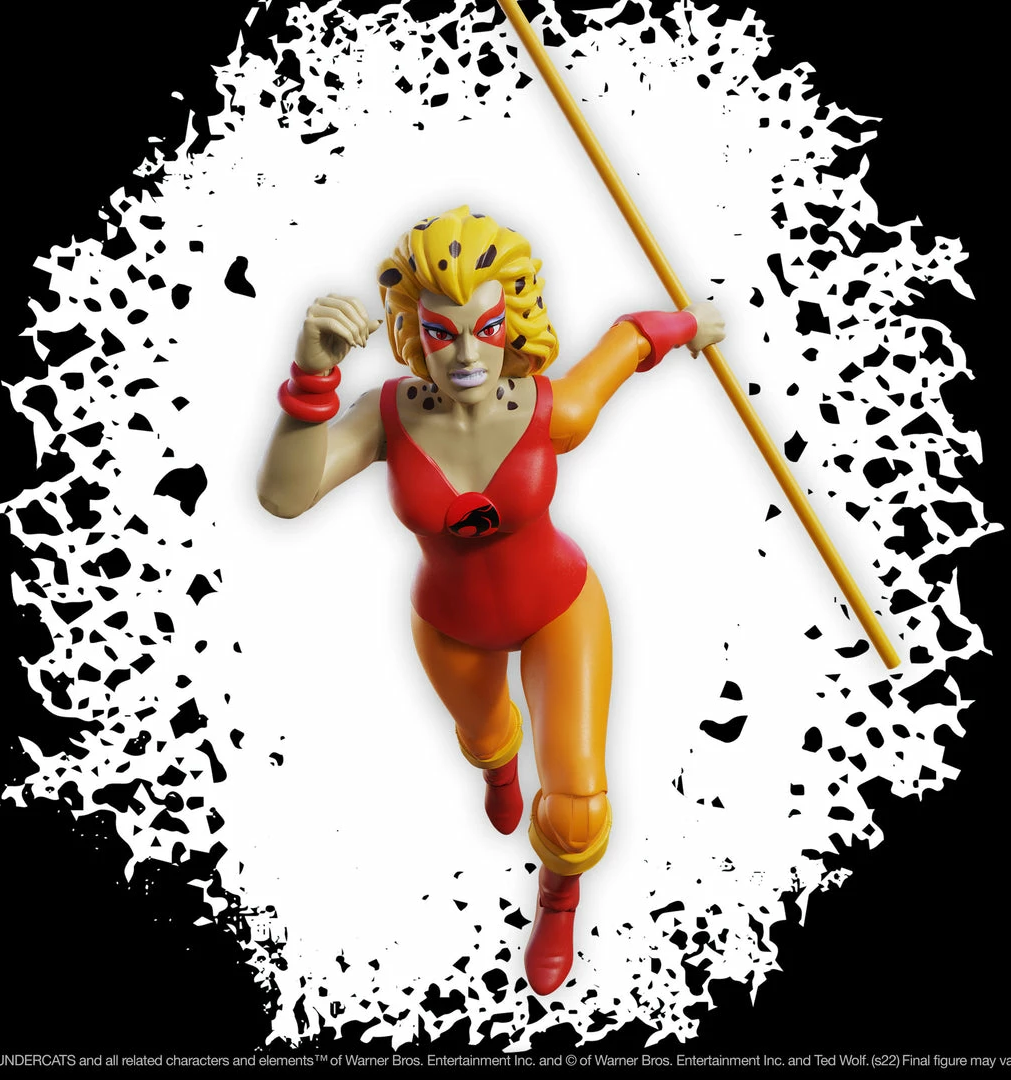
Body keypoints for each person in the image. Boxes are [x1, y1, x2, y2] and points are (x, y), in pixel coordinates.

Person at [257, 206, 725, 995]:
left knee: (575, 806)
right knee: (485, 735)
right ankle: (498, 770)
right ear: (415, 331)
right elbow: (284, 497)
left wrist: (689, 326)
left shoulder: (550, 410)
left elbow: (628, 342)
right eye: (442, 334)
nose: (468, 355)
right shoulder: (388, 415)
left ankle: (557, 899)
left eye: (487, 328)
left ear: (515, 322)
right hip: (452, 626)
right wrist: (311, 378)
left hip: (559, 610)